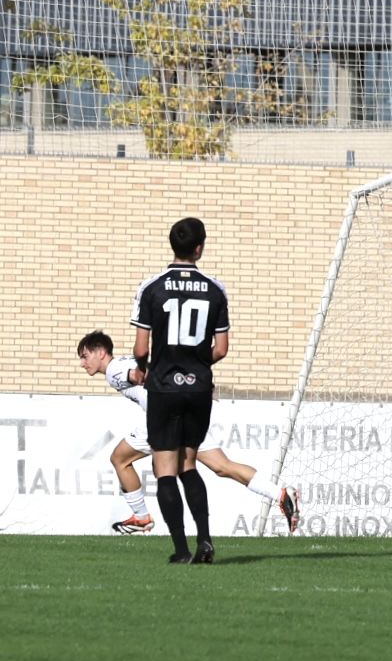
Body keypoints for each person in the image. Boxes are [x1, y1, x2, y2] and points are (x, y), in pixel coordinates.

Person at [77, 330, 300, 536]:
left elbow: (138, 376)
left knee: (120, 459)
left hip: (162, 418)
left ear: (101, 352)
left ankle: (142, 517)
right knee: (222, 467)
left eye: (85, 356)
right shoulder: (128, 359)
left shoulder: (114, 369)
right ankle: (281, 494)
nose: (82, 363)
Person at [130, 217, 230, 564]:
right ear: (199, 247)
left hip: (163, 386)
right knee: (190, 463)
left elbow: (141, 348)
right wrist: (196, 367)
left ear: (173, 245)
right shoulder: (216, 289)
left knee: (165, 468)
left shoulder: (152, 287)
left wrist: (144, 369)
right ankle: (205, 539)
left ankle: (182, 550)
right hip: (198, 387)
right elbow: (221, 349)